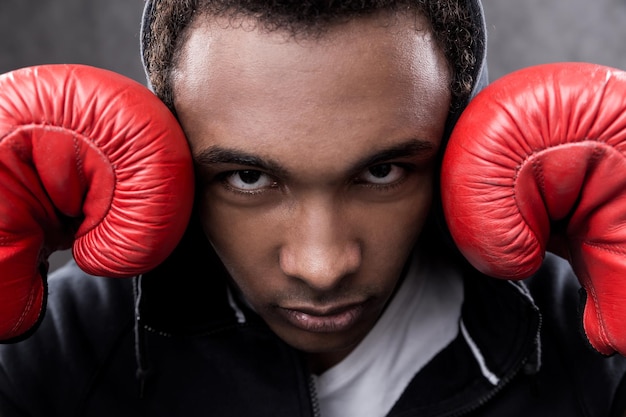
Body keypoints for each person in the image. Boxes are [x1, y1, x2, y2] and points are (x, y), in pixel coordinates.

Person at [0, 0, 625, 416]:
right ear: (163, 147)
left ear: (466, 137)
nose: (323, 267)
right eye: (247, 177)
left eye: (382, 171)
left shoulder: (588, 346)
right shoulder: (63, 346)